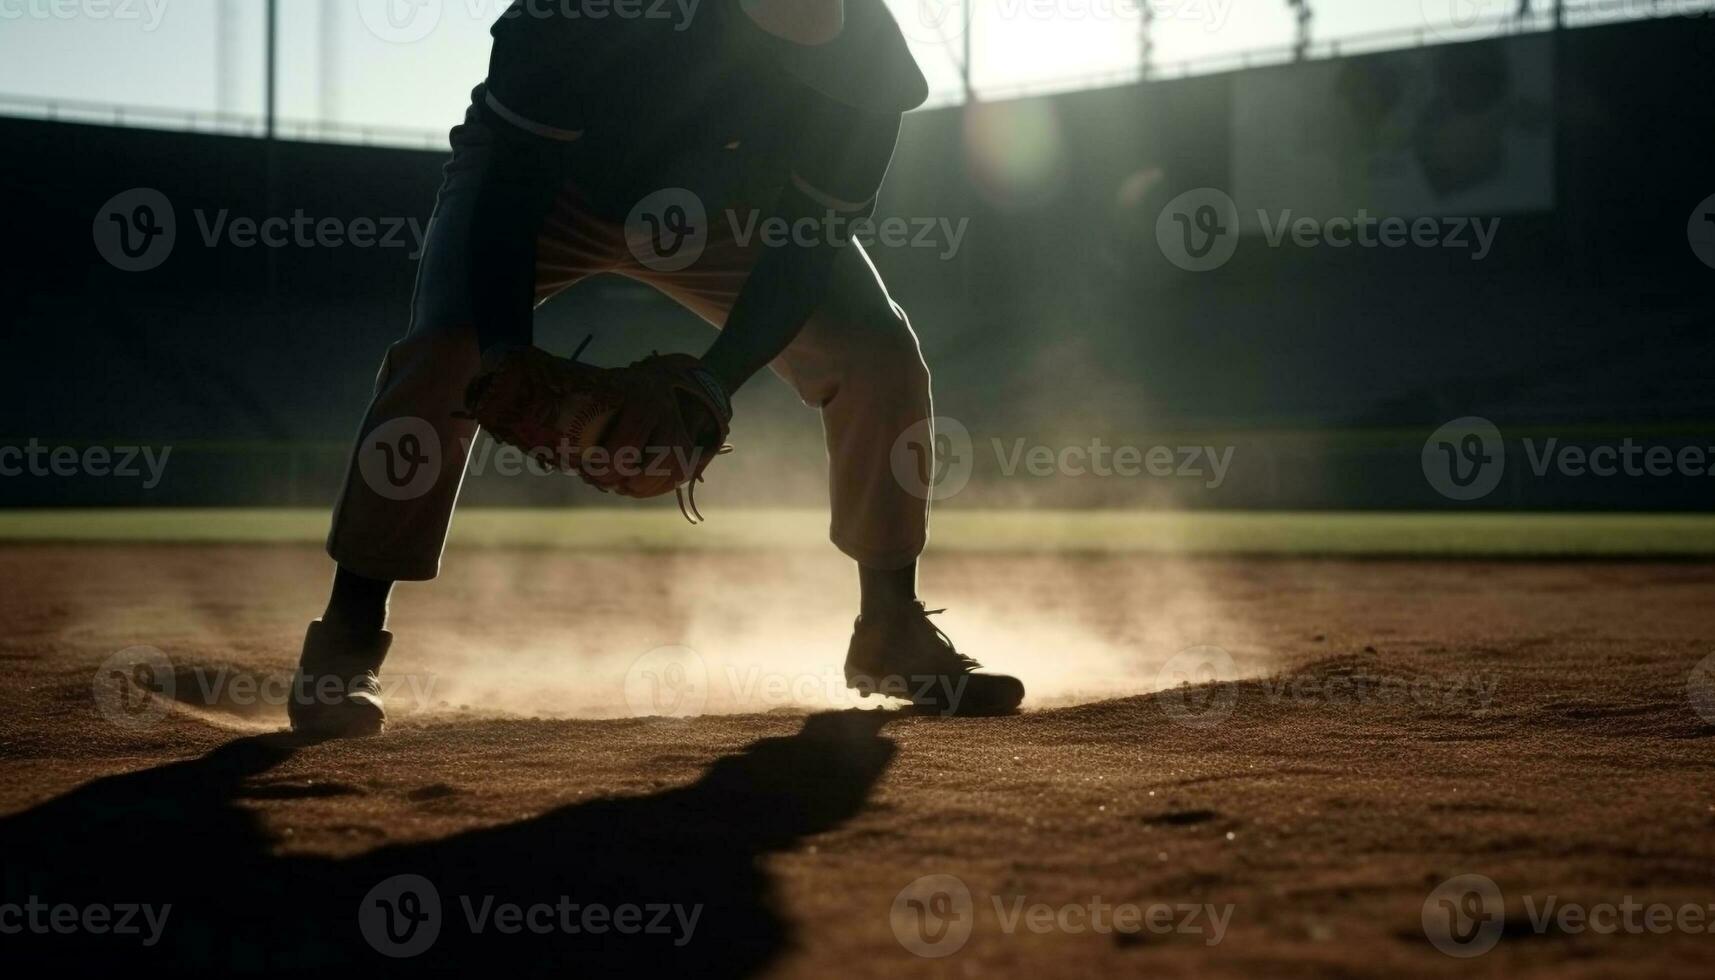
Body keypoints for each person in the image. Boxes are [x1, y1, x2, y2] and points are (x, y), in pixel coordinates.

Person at [289, 0, 1024, 737]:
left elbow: (808, 244)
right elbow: (512, 196)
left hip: (732, 206)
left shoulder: (870, 62)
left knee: (878, 355)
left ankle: (889, 630)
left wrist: (714, 380)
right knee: (450, 349)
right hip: (557, 190)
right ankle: (347, 642)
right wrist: (507, 350)